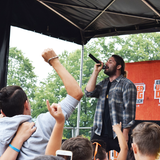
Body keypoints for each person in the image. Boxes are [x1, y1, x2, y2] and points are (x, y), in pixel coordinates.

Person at [0, 48, 83, 160]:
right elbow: (76, 94)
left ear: (2, 112)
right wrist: (54, 61)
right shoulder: (43, 124)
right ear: (26, 105)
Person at [85, 55, 137, 152]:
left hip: (118, 133)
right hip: (99, 131)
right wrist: (95, 72)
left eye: (110, 61)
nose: (106, 63)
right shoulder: (103, 83)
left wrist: (125, 134)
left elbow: (129, 111)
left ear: (118, 66)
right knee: (95, 157)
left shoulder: (127, 84)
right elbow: (89, 92)